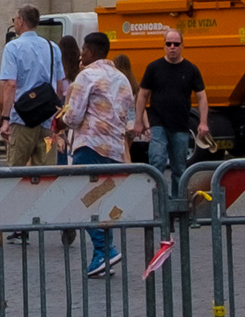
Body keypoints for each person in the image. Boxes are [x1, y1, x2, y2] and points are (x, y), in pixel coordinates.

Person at [58, 39, 139, 282]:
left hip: (90, 145)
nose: (80, 54)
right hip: (114, 149)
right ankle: (101, 256)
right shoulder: (122, 79)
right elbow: (129, 116)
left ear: (91, 51)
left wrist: (60, 121)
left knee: (81, 201)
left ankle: (106, 250)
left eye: (83, 50)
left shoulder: (86, 76)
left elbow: (73, 116)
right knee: (104, 204)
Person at [138, 28, 204, 205]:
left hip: (180, 125)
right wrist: (138, 122)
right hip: (158, 123)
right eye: (169, 44)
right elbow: (142, 95)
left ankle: (177, 203)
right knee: (157, 160)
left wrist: (203, 122)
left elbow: (201, 96)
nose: (172, 47)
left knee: (179, 168)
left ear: (182, 46)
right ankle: (157, 202)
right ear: (164, 45)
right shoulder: (154, 68)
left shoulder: (191, 69)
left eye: (176, 44)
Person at [0, 9, 63, 167]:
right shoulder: (52, 47)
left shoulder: (13, 47)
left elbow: (11, 84)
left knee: (17, 171)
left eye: (14, 19)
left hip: (22, 118)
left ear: (21, 21)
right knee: (46, 173)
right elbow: (60, 87)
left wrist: (5, 119)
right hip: (47, 119)